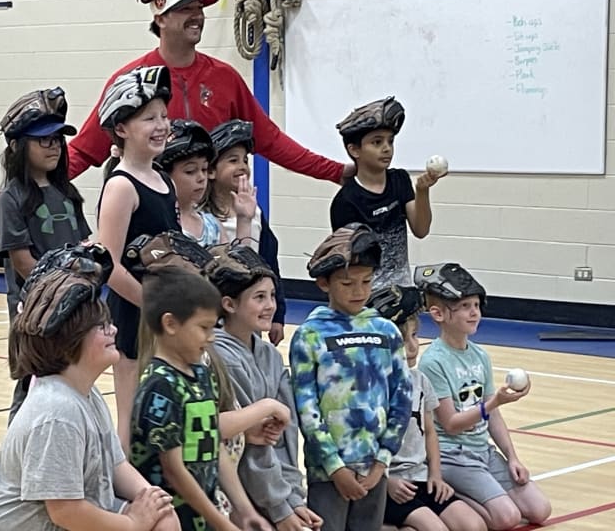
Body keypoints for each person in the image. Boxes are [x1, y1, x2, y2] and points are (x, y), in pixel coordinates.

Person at [67, 0, 350, 184]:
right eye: (185, 9)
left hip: (216, 213)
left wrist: (336, 172)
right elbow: (83, 150)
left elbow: (271, 141)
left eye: (199, 7)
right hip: (155, 214)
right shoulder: (132, 82)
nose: (197, 16)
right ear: (160, 17)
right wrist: (39, 183)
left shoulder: (224, 77)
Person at [0, 244, 179, 531]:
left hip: (66, 516)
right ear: (70, 340)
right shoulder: (57, 412)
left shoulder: (86, 393)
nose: (113, 330)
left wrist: (151, 498)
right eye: (101, 327)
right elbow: (66, 511)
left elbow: (116, 465)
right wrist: (132, 523)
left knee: (164, 519)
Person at [289, 224, 412, 531]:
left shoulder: (386, 331)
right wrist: (334, 467)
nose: (359, 291)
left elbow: (402, 398)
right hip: (328, 473)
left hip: (375, 469)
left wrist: (382, 461)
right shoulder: (310, 335)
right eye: (347, 283)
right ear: (324, 283)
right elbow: (306, 408)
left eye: (366, 281)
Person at [415, 263, 551, 530]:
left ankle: (486, 495)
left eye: (476, 305)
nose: (474, 312)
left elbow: (493, 416)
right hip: (453, 456)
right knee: (508, 518)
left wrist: (512, 457)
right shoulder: (433, 362)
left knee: (540, 510)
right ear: (438, 314)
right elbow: (451, 424)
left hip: (483, 452)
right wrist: (494, 402)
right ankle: (453, 497)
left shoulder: (480, 355)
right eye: (465, 306)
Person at [206, 243, 323, 531]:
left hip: (270, 492)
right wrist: (280, 509)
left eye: (272, 295)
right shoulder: (222, 358)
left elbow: (284, 435)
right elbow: (251, 447)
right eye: (259, 297)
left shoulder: (270, 355)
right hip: (233, 496)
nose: (270, 305)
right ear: (229, 304)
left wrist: (293, 498)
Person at [95, 65, 181, 452]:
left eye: (164, 116)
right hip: (134, 315)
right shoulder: (121, 186)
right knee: (132, 417)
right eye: (149, 118)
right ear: (121, 128)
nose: (161, 125)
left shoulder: (163, 180)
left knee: (163, 411)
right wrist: (150, 303)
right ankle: (125, 482)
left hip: (166, 311)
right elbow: (108, 264)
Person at [0, 87, 91, 423]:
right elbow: (22, 262)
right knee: (32, 384)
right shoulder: (11, 198)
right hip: (36, 310)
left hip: (75, 306)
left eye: (57, 139)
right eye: (43, 140)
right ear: (18, 146)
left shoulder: (67, 191)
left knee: (72, 379)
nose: (53, 146)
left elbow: (83, 243)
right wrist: (61, 290)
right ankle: (17, 447)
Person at [131, 267, 246, 531]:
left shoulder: (201, 374)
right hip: (172, 520)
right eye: (203, 327)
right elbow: (174, 471)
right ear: (170, 324)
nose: (211, 337)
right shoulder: (159, 385)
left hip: (205, 515)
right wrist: (222, 523)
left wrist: (244, 509)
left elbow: (213, 444)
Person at [366, 286, 487, 531]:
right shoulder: (370, 388)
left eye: (415, 335)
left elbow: (429, 432)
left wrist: (436, 475)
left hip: (422, 478)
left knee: (474, 526)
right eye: (405, 340)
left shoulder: (420, 381)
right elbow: (364, 445)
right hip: (390, 485)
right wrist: (386, 482)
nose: (414, 346)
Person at [330, 97, 443, 288]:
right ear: (354, 150)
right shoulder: (346, 201)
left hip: (403, 289)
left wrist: (422, 191)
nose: (387, 148)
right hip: (367, 295)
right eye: (377, 142)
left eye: (390, 141)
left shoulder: (399, 179)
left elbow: (421, 230)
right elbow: (348, 261)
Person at [204, 120, 287, 345]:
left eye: (245, 160)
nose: (242, 167)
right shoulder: (204, 218)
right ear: (211, 170)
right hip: (216, 317)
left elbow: (269, 264)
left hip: (249, 312)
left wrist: (278, 315)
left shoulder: (255, 212)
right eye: (233, 160)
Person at [155, 119, 253, 246]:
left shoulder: (212, 226)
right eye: (190, 171)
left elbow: (234, 259)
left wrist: (244, 220)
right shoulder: (158, 223)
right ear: (164, 175)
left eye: (204, 169)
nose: (201, 178)